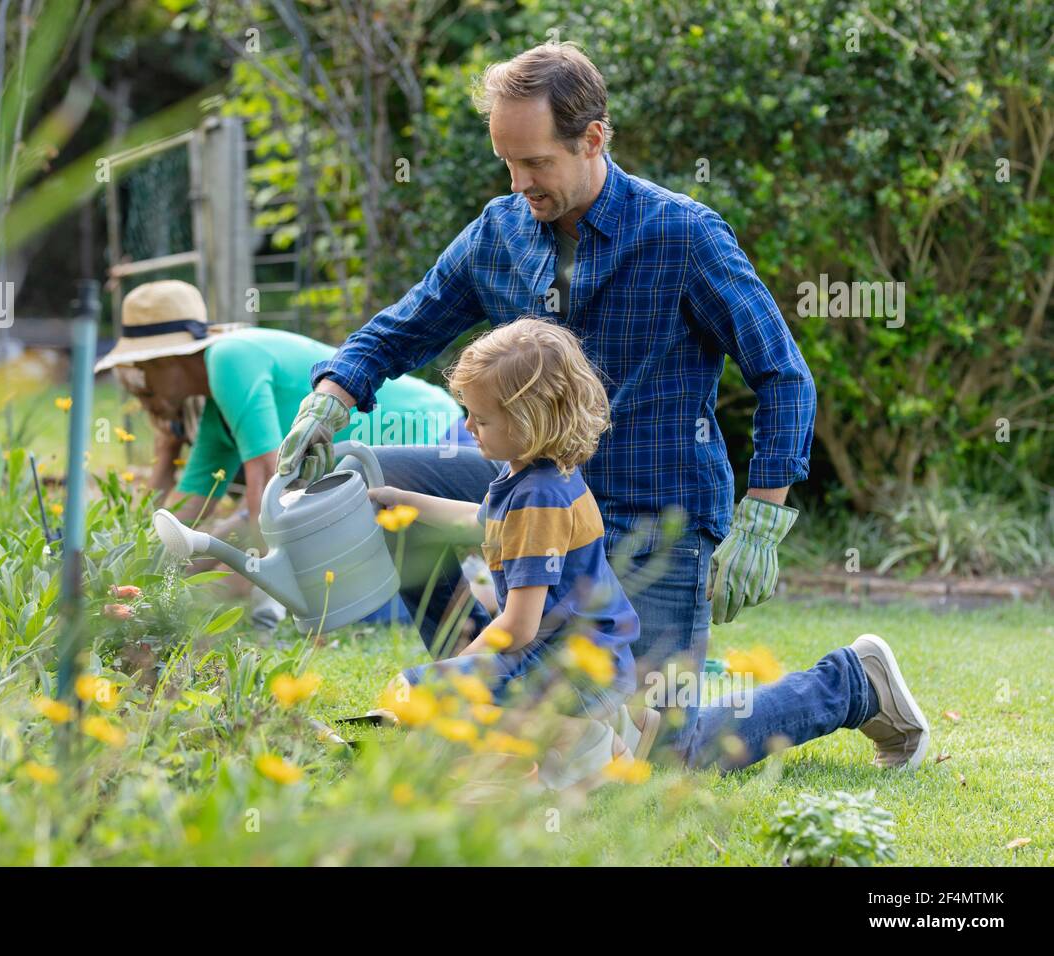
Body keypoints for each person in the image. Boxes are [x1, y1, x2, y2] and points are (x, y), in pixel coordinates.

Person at [276, 44, 930, 770]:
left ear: (593, 139)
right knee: (379, 488)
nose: (520, 182)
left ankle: (851, 684)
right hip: (532, 488)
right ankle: (488, 691)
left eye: (536, 163)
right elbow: (403, 326)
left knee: (656, 750)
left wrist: (764, 516)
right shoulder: (499, 233)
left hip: (655, 513)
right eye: (508, 164)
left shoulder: (682, 236)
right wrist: (331, 398)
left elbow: (782, 374)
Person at [368, 319, 659, 790]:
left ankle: (585, 742)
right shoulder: (534, 476)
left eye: (480, 420)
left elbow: (518, 627)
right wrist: (404, 498)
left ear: (528, 421)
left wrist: (454, 671)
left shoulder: (536, 499)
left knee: (422, 694)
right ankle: (616, 730)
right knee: (427, 692)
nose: (467, 426)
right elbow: (477, 520)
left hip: (572, 670)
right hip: (588, 659)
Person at [95, 279, 471, 627]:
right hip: (368, 470)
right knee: (337, 588)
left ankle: (483, 590)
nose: (146, 385)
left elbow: (266, 482)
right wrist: (140, 568)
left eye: (147, 371)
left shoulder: (229, 357)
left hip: (429, 434)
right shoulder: (215, 411)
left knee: (351, 603)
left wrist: (270, 588)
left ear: (169, 361)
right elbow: (191, 502)